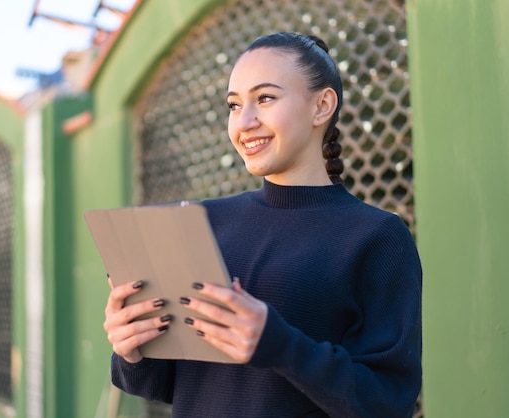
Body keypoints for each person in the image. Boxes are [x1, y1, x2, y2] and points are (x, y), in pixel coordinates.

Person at [103, 32, 422, 417]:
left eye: (265, 98)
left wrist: (279, 344)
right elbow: (161, 386)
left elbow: (389, 402)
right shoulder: (200, 222)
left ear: (322, 106)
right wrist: (131, 348)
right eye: (234, 106)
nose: (246, 122)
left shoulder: (376, 237)